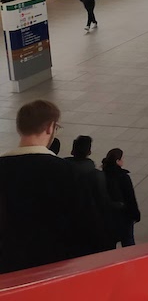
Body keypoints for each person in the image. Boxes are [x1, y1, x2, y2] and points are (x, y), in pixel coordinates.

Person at [0, 100, 105, 273]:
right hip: (57, 270)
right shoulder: (69, 172)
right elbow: (90, 229)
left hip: (8, 274)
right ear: (50, 127)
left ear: (20, 128)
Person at [64, 135, 115, 251]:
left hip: (66, 226)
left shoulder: (60, 171)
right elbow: (103, 202)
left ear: (72, 150)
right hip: (90, 226)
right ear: (89, 151)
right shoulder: (96, 175)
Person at [102, 148, 141, 247]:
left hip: (108, 215)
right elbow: (130, 197)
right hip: (124, 216)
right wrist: (135, 214)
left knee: (109, 243)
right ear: (117, 161)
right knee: (128, 242)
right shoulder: (123, 177)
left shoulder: (102, 175)